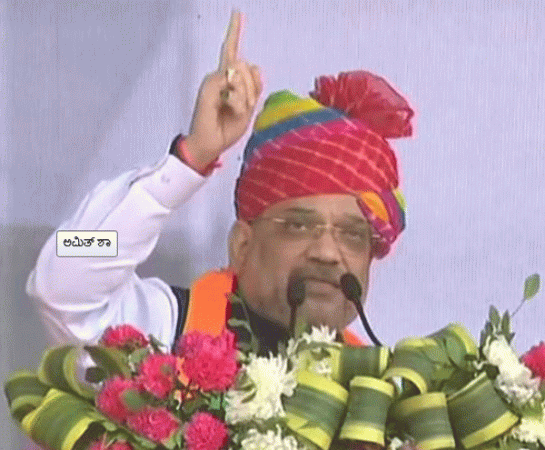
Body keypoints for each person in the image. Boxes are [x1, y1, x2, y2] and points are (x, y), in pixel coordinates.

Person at [26, 11, 413, 356]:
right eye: (298, 225)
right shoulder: (161, 333)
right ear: (241, 246)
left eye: (352, 234)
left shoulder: (380, 390)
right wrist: (188, 161)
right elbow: (65, 266)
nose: (328, 253)